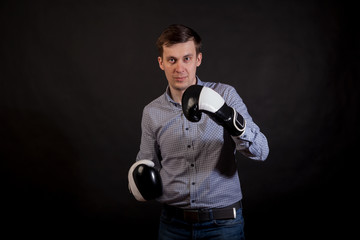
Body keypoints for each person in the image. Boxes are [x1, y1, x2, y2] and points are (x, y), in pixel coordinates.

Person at [128, 24, 269, 240]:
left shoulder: (225, 95)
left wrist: (228, 116)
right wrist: (138, 183)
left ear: (198, 60)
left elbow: (261, 151)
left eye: (187, 58)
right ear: (161, 63)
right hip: (173, 225)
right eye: (172, 60)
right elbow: (145, 164)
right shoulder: (152, 112)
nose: (180, 68)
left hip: (223, 224)